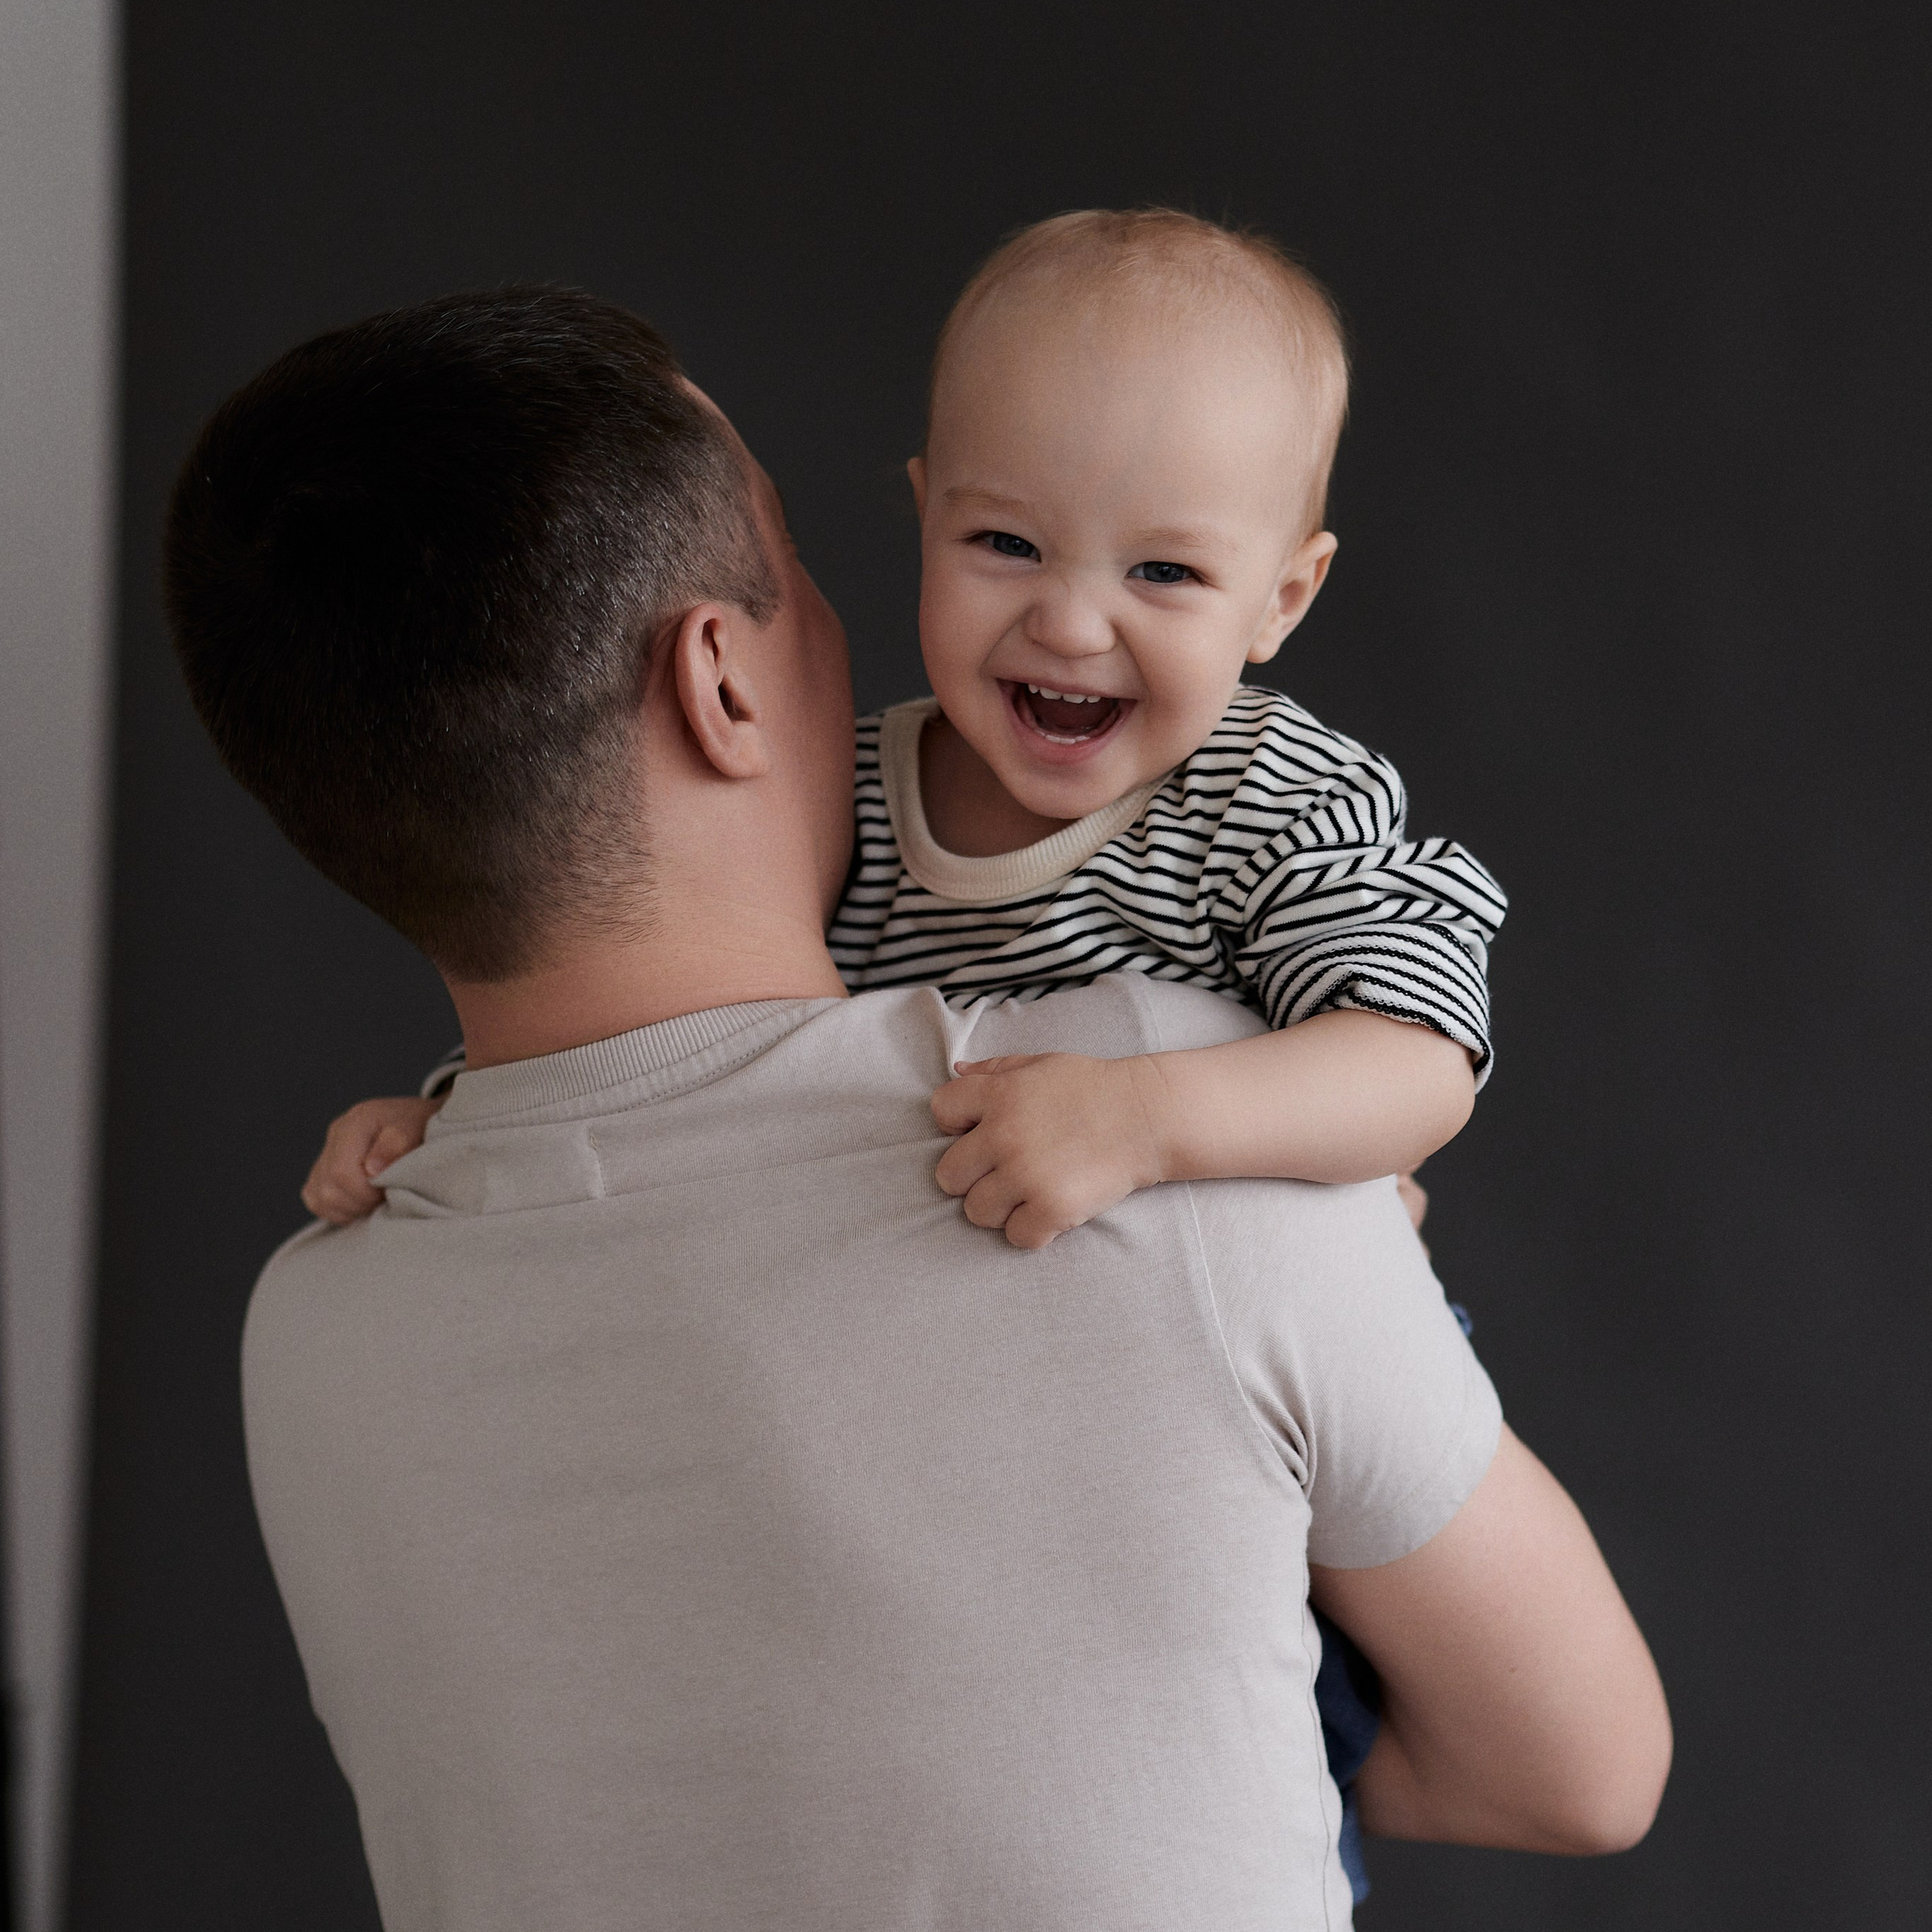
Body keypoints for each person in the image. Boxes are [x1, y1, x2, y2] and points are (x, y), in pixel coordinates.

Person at [167, 286, 1669, 1930]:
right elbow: (1579, 1768)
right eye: (799, 565)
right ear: (720, 682)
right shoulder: (1135, 1118)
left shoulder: (311, 1327)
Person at [306, 210, 1503, 1253]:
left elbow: (1419, 1055)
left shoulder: (1273, 798)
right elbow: (675, 1027)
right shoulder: (855, 804)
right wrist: (457, 1117)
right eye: (1006, 545)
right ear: (929, 514)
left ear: (1281, 601)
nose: (1072, 621)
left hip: (1292, 1376)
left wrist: (1144, 1123)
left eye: (1165, 571)